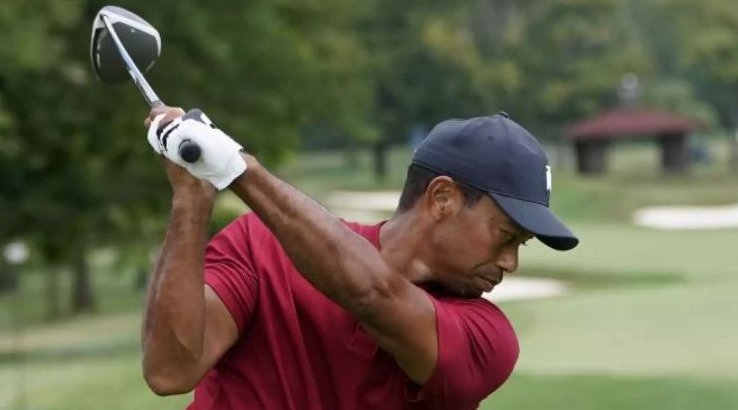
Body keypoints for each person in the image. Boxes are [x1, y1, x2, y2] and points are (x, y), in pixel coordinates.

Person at [141, 107, 579, 410]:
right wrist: (191, 196)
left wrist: (237, 169)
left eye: (520, 245)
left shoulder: (486, 338)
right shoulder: (259, 245)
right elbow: (169, 371)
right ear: (443, 197)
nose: (510, 263)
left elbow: (371, 293)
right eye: (505, 236)